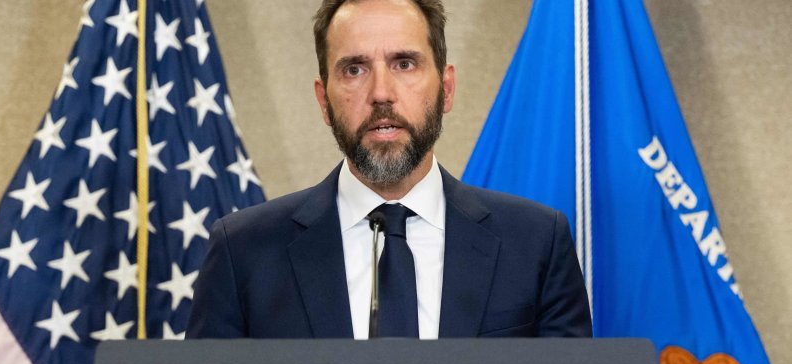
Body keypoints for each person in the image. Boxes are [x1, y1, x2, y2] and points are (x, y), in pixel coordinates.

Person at [187, 0, 591, 339]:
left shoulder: (536, 243)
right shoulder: (243, 252)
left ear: (446, 89)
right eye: (354, 69)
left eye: (404, 64)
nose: (381, 93)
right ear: (324, 101)